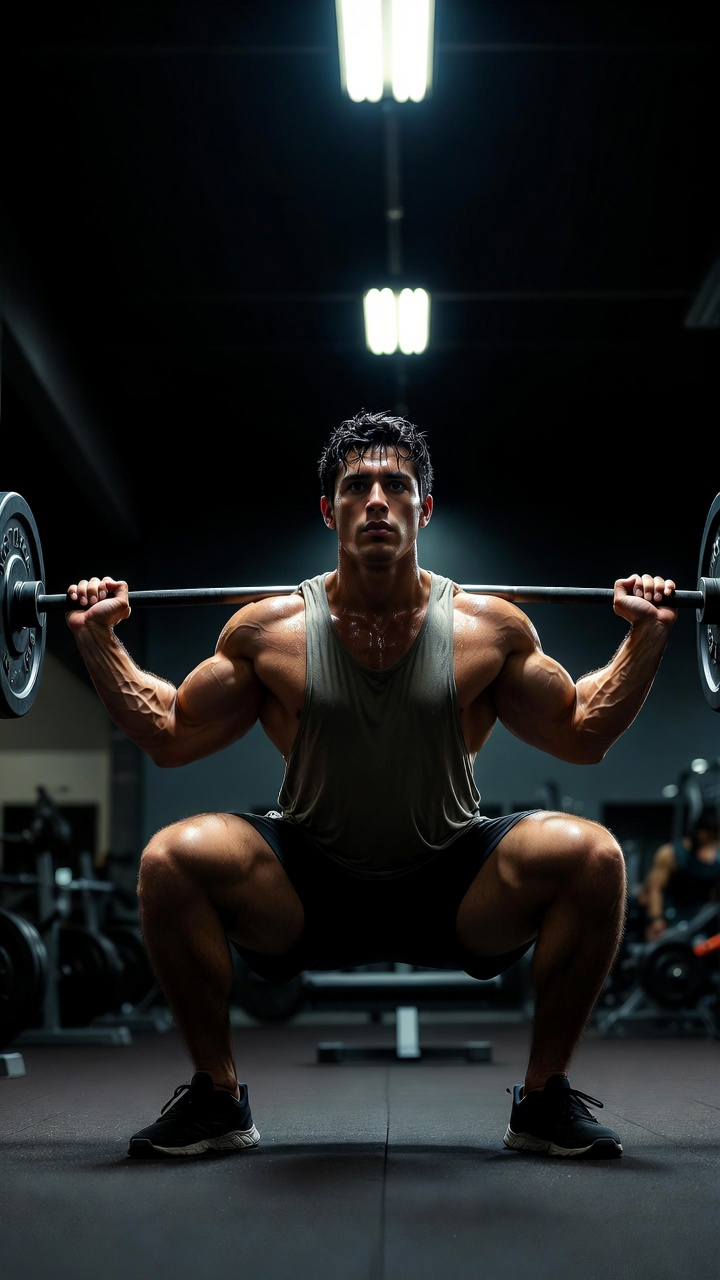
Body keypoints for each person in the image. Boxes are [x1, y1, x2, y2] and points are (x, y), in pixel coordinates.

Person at [65, 409, 678, 1162]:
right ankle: (217, 1097)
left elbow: (583, 734)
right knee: (170, 858)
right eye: (358, 486)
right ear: (330, 510)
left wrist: (645, 638)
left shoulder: (491, 629)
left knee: (595, 856)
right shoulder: (268, 631)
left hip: (454, 881)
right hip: (306, 878)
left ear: (425, 507)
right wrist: (100, 642)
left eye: (398, 484)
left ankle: (545, 1099)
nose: (379, 500)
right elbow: (167, 734)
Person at [641, 807, 720, 942]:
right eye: (706, 832)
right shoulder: (670, 853)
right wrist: (656, 919)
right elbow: (655, 888)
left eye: (712, 833)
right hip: (673, 916)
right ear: (697, 830)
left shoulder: (716, 856)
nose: (708, 837)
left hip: (703, 918)